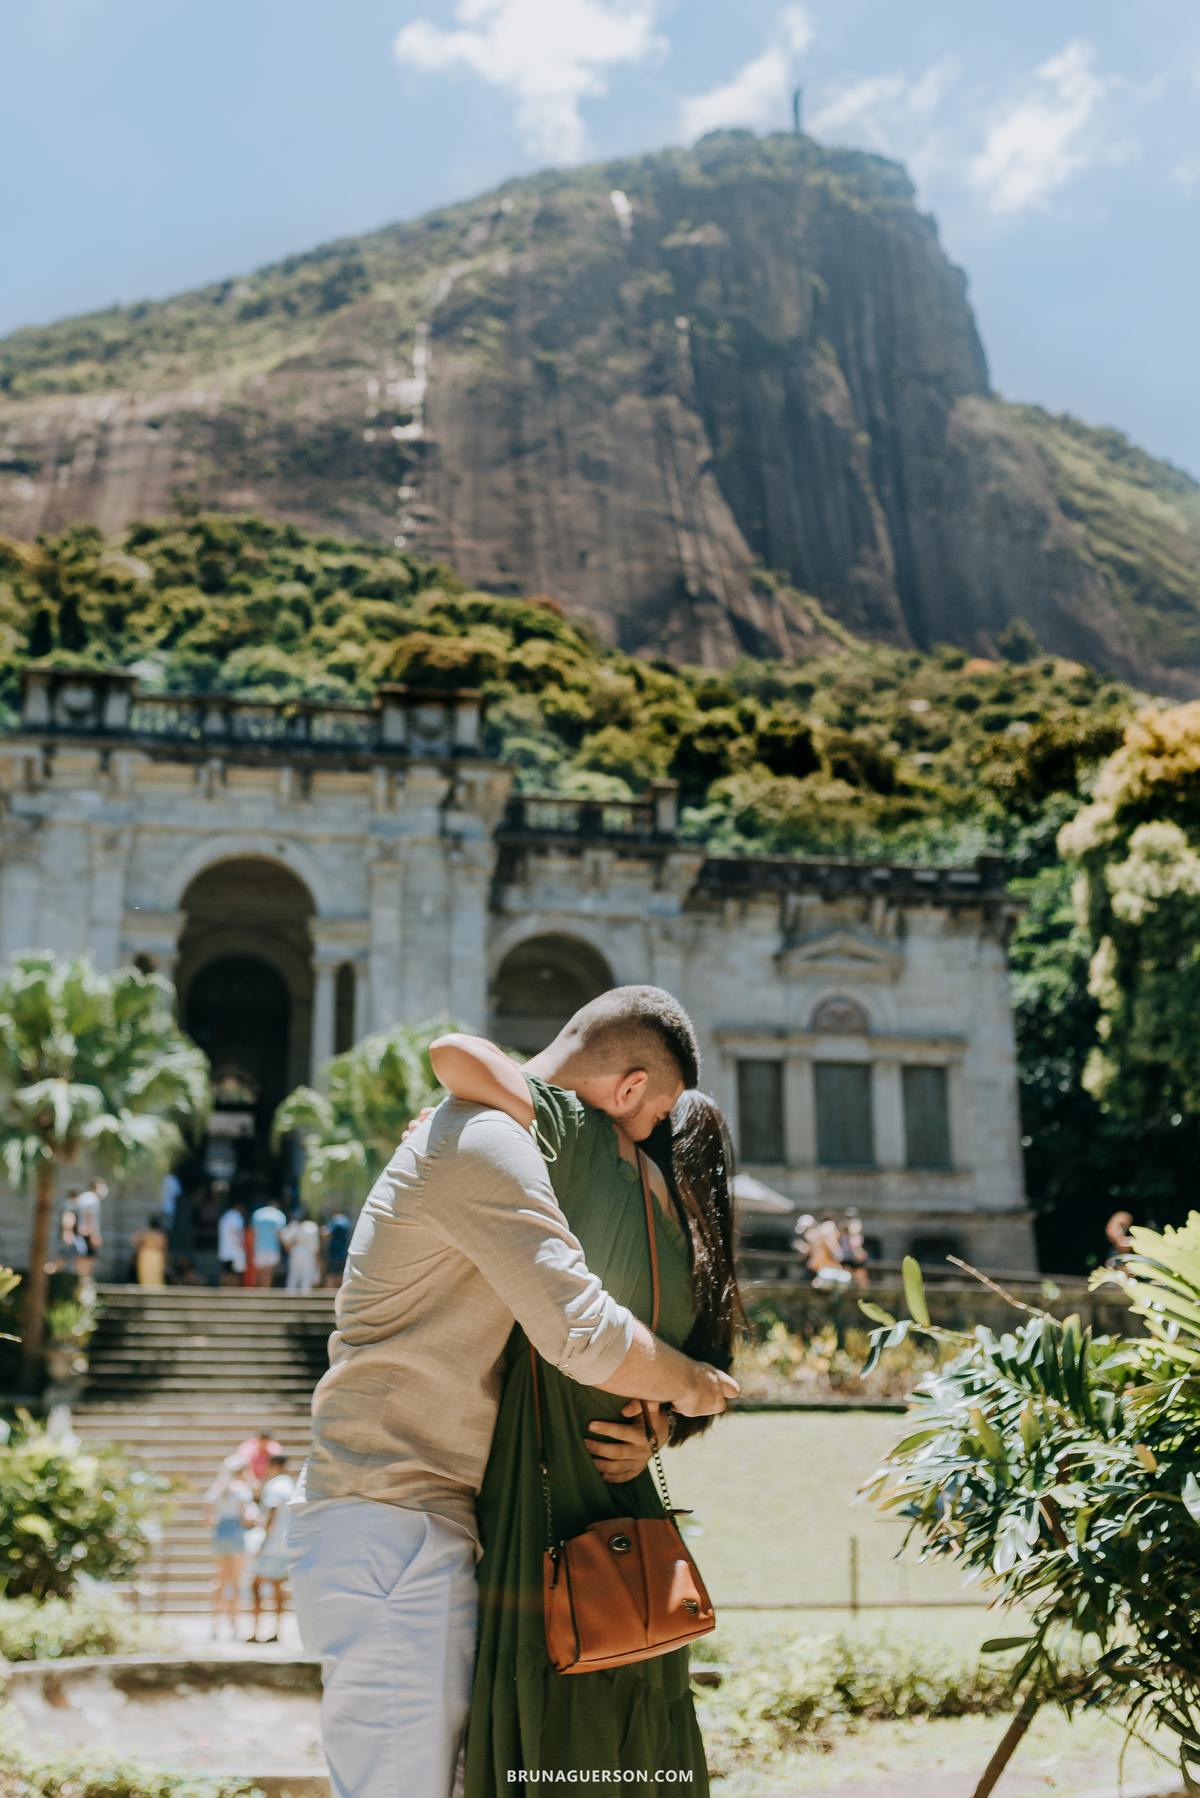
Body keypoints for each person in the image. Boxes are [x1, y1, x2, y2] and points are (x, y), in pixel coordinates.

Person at [287, 986, 738, 1798]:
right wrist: (696, 1386)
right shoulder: (484, 1140)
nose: (639, 1145)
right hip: (392, 1515)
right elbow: (583, 1334)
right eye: (647, 1119)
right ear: (630, 1087)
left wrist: (656, 1424)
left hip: (439, 1517)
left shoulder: (509, 1138)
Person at [430, 1054, 744, 1795]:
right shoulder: (699, 1253)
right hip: (627, 1498)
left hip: (538, 1470)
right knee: (631, 1694)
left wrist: (456, 1123)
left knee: (548, 1684)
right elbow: (708, 1386)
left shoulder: (590, 1165)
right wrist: (659, 1431)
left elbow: (455, 1057)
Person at [205, 1454, 255, 1641]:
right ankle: (235, 1627)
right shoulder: (242, 1490)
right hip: (235, 1535)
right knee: (236, 1582)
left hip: (219, 1535)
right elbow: (245, 1518)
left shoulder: (215, 1490)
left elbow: (208, 1519)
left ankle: (215, 1626)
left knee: (219, 1580)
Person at [251, 1453, 295, 1643]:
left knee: (256, 1585)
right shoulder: (290, 1485)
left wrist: (263, 1542)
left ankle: (256, 1630)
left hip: (273, 1544)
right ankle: (276, 1631)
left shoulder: (274, 1486)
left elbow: (271, 1516)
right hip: (287, 1543)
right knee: (278, 1587)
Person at [250, 1197, 287, 1288]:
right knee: (269, 1272)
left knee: (259, 1271)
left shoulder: (257, 1214)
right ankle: (266, 1292)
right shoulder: (279, 1215)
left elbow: (253, 1233)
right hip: (272, 1248)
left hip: (259, 1247)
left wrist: (252, 1247)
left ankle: (259, 1291)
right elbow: (280, 1234)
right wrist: (286, 1246)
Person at [237, 1427, 284, 1491]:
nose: (264, 1443)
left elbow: (277, 1468)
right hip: (250, 1479)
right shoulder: (248, 1448)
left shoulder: (274, 1449)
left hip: (267, 1479)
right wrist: (252, 1481)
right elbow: (245, 1467)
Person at [282, 1215, 321, 1292]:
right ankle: (305, 1293)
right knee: (306, 1273)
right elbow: (315, 1245)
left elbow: (286, 1239)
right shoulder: (311, 1226)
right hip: (307, 1251)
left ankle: (290, 1293)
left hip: (296, 1249)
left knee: (294, 1273)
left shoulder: (295, 1225)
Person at [132, 1215, 169, 1287]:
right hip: (156, 1255)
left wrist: (140, 1248)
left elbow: (135, 1241)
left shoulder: (145, 1233)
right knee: (155, 1275)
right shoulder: (160, 1235)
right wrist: (166, 1261)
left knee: (147, 1274)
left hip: (146, 1255)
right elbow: (164, 1249)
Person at [217, 1198, 246, 1286]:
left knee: (225, 1272)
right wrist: (241, 1246)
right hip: (234, 1250)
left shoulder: (225, 1216)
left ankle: (224, 1292)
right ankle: (232, 1292)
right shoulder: (236, 1216)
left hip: (225, 1250)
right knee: (234, 1274)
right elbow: (235, 1232)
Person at [320, 1209, 350, 1287]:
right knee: (341, 1276)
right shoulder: (346, 1220)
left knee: (331, 1276)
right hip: (343, 1253)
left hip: (334, 1254)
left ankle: (329, 1296)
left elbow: (325, 1233)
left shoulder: (335, 1220)